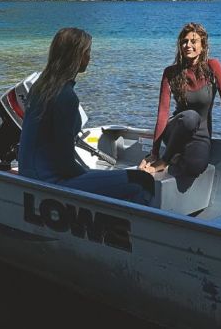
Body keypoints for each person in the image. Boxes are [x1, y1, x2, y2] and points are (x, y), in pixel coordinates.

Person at [18, 28, 153, 204]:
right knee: (141, 180)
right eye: (87, 52)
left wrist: (97, 176)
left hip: (29, 174)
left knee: (117, 176)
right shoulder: (65, 96)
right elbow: (66, 165)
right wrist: (93, 175)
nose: (89, 57)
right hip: (49, 181)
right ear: (76, 56)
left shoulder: (40, 88)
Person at [139, 23, 221, 176]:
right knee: (191, 116)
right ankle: (165, 160)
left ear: (203, 46)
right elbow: (163, 113)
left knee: (196, 167)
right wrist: (155, 152)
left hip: (200, 135)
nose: (188, 45)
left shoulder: (213, 67)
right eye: (184, 41)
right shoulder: (170, 72)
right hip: (176, 130)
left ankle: (176, 158)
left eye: (193, 41)